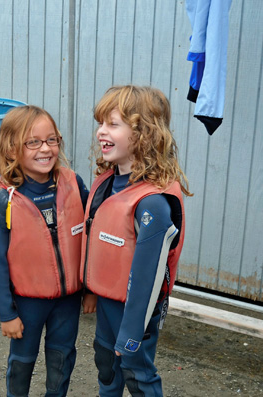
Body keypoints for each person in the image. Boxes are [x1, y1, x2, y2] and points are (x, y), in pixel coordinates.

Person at [81, 85, 192, 396]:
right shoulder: (107, 182)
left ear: (144, 133)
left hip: (136, 312)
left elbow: (147, 279)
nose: (101, 132)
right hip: (106, 303)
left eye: (113, 124)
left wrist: (131, 334)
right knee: (106, 365)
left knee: (136, 372)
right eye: (100, 123)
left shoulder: (152, 203)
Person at [0, 105, 96, 397]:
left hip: (68, 302)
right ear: (11, 150)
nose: (45, 149)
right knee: (22, 363)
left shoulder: (74, 184)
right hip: (26, 304)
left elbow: (89, 239)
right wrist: (6, 314)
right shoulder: (5, 201)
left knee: (62, 360)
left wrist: (90, 289)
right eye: (32, 142)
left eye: (52, 140)